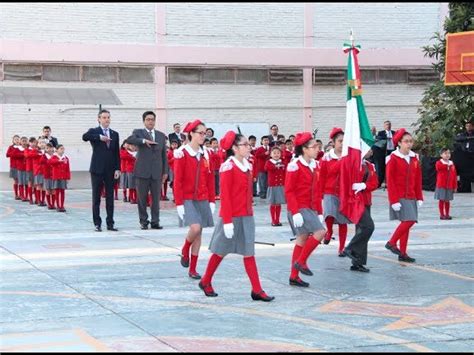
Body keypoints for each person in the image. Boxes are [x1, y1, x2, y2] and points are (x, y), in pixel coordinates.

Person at [199, 131, 274, 302]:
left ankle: (257, 290)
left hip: (246, 216)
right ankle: (205, 280)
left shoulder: (248, 165)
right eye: (244, 144)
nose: (248, 147)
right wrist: (227, 221)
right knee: (220, 251)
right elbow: (225, 197)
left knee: (249, 253)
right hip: (231, 217)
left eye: (248, 144)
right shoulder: (228, 167)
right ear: (234, 148)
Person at [174, 120, 216, 280]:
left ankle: (193, 268)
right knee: (195, 228)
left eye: (205, 133)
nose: (203, 136)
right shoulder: (182, 153)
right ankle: (185, 249)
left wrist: (211, 200)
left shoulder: (206, 153)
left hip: (203, 197)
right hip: (187, 197)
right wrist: (179, 203)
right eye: (201, 133)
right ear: (191, 133)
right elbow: (178, 180)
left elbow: (211, 178)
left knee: (199, 234)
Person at [285, 132, 326, 288]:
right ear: (304, 149)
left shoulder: (315, 165)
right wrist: (295, 212)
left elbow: (317, 191)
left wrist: (320, 212)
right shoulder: (294, 165)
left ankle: (293, 276)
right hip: (298, 207)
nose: (317, 149)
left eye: (317, 146)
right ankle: (301, 262)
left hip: (310, 207)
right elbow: (289, 191)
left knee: (302, 239)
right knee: (321, 232)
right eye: (314, 146)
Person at [385, 128, 423, 263]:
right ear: (399, 143)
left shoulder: (414, 158)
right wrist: (393, 200)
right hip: (400, 196)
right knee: (410, 221)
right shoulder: (393, 158)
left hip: (411, 195)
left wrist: (419, 196)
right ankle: (391, 242)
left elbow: (417, 179)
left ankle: (403, 253)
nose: (409, 144)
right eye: (406, 141)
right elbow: (390, 181)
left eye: (411, 141)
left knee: (406, 224)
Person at [127, 111, 169, 230]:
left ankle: (155, 221)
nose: (150, 121)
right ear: (144, 121)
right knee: (142, 198)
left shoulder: (161, 135)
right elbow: (130, 140)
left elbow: (163, 155)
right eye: (148, 119)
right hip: (142, 171)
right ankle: (143, 221)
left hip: (156, 172)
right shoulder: (138, 133)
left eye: (152, 119)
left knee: (156, 199)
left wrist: (165, 171)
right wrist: (144, 141)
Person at [82, 109, 121, 232]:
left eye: (108, 117)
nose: (106, 119)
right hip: (97, 169)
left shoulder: (114, 134)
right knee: (96, 197)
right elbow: (84, 137)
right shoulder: (94, 131)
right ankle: (97, 223)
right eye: (104, 117)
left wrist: (118, 168)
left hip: (110, 170)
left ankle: (110, 223)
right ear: (99, 119)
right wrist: (99, 137)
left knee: (110, 197)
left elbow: (116, 153)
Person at [342, 149, 378, 272]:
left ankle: (357, 262)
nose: (371, 152)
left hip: (366, 200)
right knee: (368, 227)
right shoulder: (353, 165)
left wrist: (365, 186)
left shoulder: (369, 165)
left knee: (362, 230)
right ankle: (350, 248)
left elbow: (375, 182)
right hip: (356, 201)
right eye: (368, 149)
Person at [320, 128, 351, 256]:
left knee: (343, 221)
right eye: (340, 141)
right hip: (329, 191)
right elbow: (323, 175)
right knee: (329, 214)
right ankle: (329, 231)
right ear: (333, 142)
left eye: (345, 141)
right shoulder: (326, 157)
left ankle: (342, 248)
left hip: (344, 192)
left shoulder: (349, 156)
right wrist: (320, 194)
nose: (342, 143)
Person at [264, 146, 286, 226]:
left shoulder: (283, 162)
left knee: (279, 203)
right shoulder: (269, 162)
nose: (276, 154)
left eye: (278, 153)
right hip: (272, 185)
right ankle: (273, 220)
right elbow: (266, 168)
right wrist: (275, 166)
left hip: (280, 185)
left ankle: (278, 220)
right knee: (273, 203)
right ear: (271, 154)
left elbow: (285, 171)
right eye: (274, 153)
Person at [435, 148, 457, 220]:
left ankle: (447, 214)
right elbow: (438, 168)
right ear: (441, 155)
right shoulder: (439, 163)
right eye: (445, 153)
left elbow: (454, 175)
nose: (447, 155)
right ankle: (442, 214)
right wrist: (447, 166)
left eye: (448, 153)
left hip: (449, 185)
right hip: (441, 185)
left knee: (447, 200)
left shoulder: (452, 163)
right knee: (441, 199)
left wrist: (455, 185)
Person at [49, 144, 71, 212]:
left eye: (63, 149)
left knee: (62, 191)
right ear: (57, 150)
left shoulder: (66, 158)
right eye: (61, 149)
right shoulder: (54, 157)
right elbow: (50, 162)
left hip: (63, 177)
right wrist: (59, 161)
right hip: (56, 177)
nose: (62, 150)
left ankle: (62, 205)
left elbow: (67, 168)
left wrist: (68, 177)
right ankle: (58, 205)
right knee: (57, 191)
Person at [454, 120, 474, 192]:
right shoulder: (463, 134)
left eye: (470, 126)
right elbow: (457, 138)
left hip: (472, 155)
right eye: (467, 126)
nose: (468, 127)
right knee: (464, 172)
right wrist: (468, 138)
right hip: (465, 156)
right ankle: (465, 188)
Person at [375, 120, 396, 187]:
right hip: (384, 152)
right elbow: (379, 139)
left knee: (391, 167)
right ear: (384, 126)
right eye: (386, 124)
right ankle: (380, 182)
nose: (388, 126)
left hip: (391, 151)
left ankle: (389, 182)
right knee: (382, 167)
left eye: (389, 124)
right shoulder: (381, 133)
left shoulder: (393, 132)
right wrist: (386, 138)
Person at [6, 135, 21, 200]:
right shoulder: (11, 147)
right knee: (16, 181)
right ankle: (16, 194)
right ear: (13, 140)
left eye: (18, 139)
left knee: (21, 181)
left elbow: (23, 154)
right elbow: (7, 155)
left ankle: (21, 194)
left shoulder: (22, 147)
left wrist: (17, 154)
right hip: (14, 166)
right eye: (15, 139)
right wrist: (15, 151)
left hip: (21, 167)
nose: (17, 140)